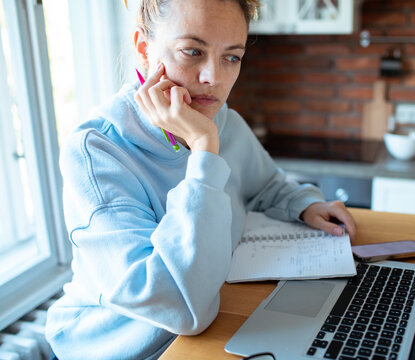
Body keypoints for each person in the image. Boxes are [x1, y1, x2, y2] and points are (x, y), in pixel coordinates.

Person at [45, 0, 357, 359]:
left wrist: (305, 204)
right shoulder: (97, 151)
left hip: (209, 334)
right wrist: (204, 151)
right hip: (118, 350)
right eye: (192, 51)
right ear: (145, 49)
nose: (215, 78)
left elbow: (267, 184)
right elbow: (179, 308)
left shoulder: (224, 120)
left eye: (232, 57)